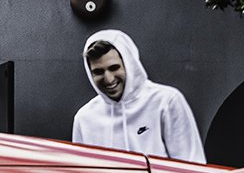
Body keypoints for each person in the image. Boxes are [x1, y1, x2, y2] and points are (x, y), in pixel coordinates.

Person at [71, 30, 205, 162]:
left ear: (130, 64)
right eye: (98, 72)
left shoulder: (166, 102)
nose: (108, 78)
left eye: (114, 68)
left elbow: (192, 166)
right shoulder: (84, 119)